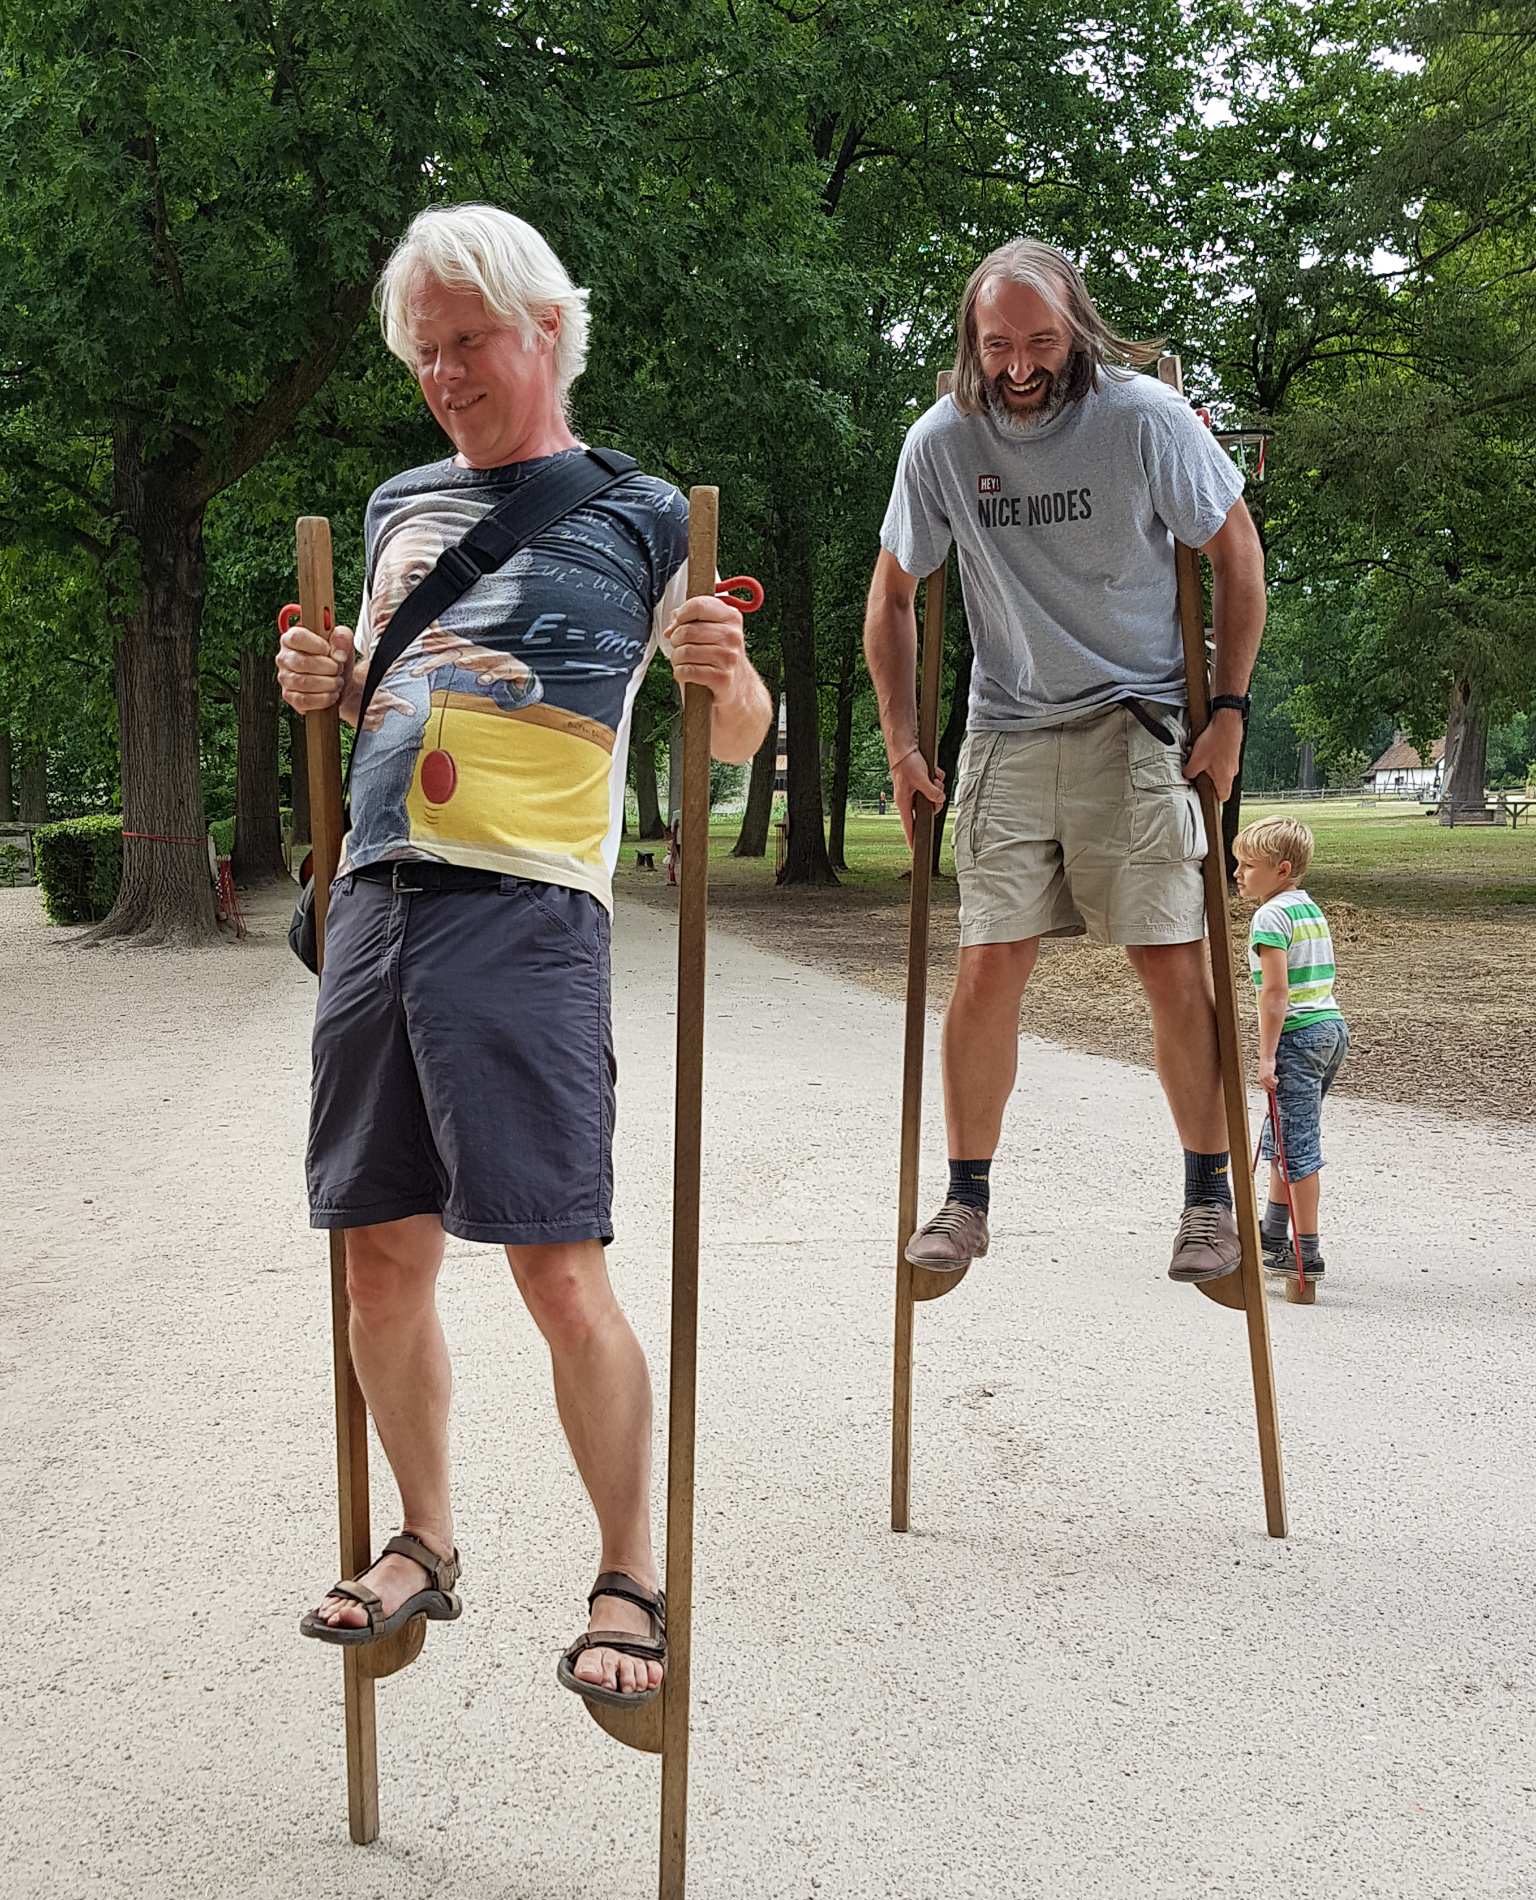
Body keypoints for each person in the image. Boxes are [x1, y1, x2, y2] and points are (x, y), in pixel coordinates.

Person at [277, 204, 771, 1705]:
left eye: (469, 340)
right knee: (379, 1256)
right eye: (424, 350)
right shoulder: (396, 506)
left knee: (556, 1261)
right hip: (376, 896)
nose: (444, 374)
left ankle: (630, 1575)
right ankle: (423, 1541)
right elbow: (376, 693)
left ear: (547, 329)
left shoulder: (642, 513)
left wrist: (727, 674)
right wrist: (324, 678)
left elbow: (740, 737)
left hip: (529, 905)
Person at [864, 237, 1267, 1284]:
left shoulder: (1146, 418)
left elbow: (1237, 554)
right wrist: (904, 745)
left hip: (1135, 724)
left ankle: (1208, 1200)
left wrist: (1228, 711)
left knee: (1170, 961)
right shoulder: (941, 440)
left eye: (1040, 342)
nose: (1018, 366)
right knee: (987, 960)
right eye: (997, 344)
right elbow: (893, 598)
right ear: (973, 338)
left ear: (1077, 327)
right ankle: (965, 1199)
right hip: (1006, 729)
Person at [1232, 815, 1348, 1282]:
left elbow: (1275, 992)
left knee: (1297, 1147)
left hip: (1297, 1036)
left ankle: (1306, 1252)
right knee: (1282, 1136)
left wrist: (1266, 1055)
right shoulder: (1306, 907)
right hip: (1330, 1029)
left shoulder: (1270, 916)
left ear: (1281, 870)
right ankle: (1273, 1234)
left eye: (1248, 865)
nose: (1238, 874)